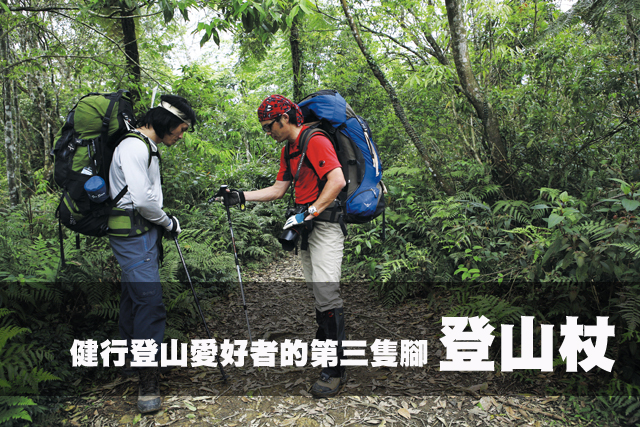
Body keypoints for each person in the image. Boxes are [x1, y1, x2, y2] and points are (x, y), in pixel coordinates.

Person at [220, 94, 348, 397]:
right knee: (317, 289)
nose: (268, 132)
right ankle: (326, 344)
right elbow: (279, 190)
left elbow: (337, 180)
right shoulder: (289, 150)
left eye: (269, 126)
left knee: (327, 291)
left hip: (326, 224)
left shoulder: (314, 139)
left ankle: (335, 369)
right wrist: (241, 196)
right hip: (306, 225)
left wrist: (312, 210)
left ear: (285, 118)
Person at [108, 95, 196, 413]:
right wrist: (167, 221)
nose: (181, 135)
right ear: (166, 122)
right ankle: (147, 383)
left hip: (139, 232)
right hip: (135, 232)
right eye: (181, 129)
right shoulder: (134, 147)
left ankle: (132, 364)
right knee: (150, 304)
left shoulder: (143, 146)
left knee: (134, 299)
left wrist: (160, 223)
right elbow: (144, 202)